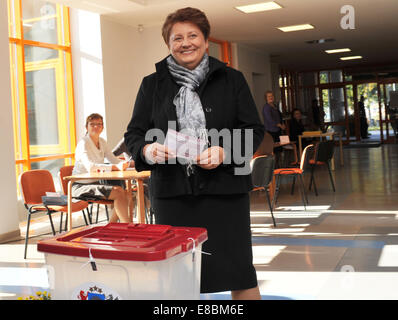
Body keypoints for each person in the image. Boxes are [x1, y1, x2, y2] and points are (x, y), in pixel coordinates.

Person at [124, 7, 264, 300]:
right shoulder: (152, 85)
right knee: (178, 276)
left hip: (225, 193)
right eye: (177, 38)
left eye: (192, 35)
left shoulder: (232, 79)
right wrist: (148, 149)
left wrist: (225, 152)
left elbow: (254, 130)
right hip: (173, 196)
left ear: (205, 39)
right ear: (168, 44)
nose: (185, 43)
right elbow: (134, 135)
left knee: (239, 272)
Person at [72, 113, 133, 223]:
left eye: (99, 124)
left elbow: (114, 160)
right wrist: (115, 167)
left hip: (95, 183)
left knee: (126, 194)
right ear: (86, 127)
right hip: (80, 186)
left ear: (102, 127)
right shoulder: (83, 143)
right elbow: (91, 167)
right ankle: (127, 226)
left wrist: (128, 165)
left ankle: (112, 227)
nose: (96, 127)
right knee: (119, 193)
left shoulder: (102, 142)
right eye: (92, 124)